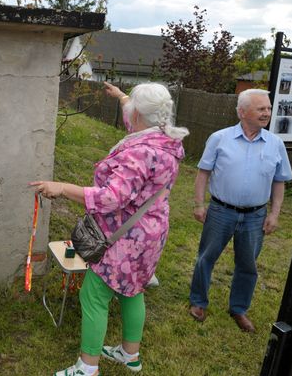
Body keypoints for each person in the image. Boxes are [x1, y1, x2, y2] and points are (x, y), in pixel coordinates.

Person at [30, 82, 189, 375]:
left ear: (139, 114)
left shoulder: (139, 153)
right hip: (151, 232)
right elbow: (137, 115)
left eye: (132, 108)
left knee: (93, 295)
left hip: (126, 237)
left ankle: (87, 367)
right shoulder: (166, 140)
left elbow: (110, 199)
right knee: (133, 290)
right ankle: (130, 355)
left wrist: (63, 187)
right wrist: (121, 97)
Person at [189, 89, 292, 333]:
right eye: (261, 109)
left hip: (256, 216)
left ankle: (238, 308)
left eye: (268, 108)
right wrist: (198, 204)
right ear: (242, 112)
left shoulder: (275, 144)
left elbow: (280, 182)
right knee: (206, 258)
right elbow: (203, 172)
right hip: (221, 211)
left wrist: (274, 213)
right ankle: (198, 302)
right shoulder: (219, 138)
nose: (267, 113)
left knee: (248, 264)